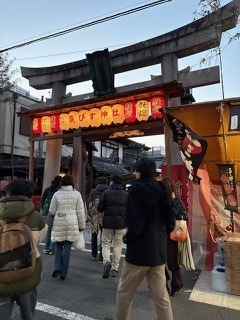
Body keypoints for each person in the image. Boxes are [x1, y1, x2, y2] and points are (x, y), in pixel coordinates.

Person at [116, 157, 175, 320]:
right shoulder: (163, 189)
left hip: (138, 253)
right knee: (161, 296)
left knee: (125, 293)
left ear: (139, 172)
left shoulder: (135, 190)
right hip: (158, 252)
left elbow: (135, 223)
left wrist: (130, 238)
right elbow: (170, 220)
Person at [0, 178, 47, 320]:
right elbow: (40, 238)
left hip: (1, 277)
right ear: (30, 195)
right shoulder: (37, 218)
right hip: (28, 274)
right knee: (28, 315)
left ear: (8, 193)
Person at [49, 174, 86, 280]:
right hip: (72, 222)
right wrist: (82, 226)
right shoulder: (77, 194)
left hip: (59, 221)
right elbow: (81, 212)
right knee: (67, 246)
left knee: (58, 245)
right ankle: (63, 273)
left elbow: (52, 211)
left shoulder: (56, 194)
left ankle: (56, 266)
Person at [161, 176, 188, 297]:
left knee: (172, 263)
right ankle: (164, 285)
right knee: (160, 263)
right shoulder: (159, 202)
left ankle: (176, 285)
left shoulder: (177, 202)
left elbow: (183, 217)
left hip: (173, 236)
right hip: (161, 235)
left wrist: (171, 207)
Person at [97, 174, 128, 279]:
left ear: (112, 182)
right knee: (118, 246)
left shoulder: (106, 193)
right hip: (121, 224)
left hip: (108, 223)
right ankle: (115, 268)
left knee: (105, 243)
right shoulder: (125, 194)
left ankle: (106, 262)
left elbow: (100, 208)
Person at [87, 176, 109, 262]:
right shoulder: (108, 191)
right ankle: (102, 256)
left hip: (95, 216)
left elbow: (89, 203)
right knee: (104, 236)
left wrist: (90, 214)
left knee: (94, 235)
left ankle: (94, 254)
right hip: (105, 216)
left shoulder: (93, 191)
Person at [41, 175, 62, 255]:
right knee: (54, 231)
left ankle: (46, 248)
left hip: (48, 213)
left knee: (49, 231)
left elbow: (43, 201)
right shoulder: (58, 191)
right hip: (56, 213)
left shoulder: (47, 189)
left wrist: (44, 210)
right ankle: (52, 248)